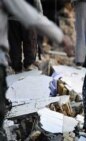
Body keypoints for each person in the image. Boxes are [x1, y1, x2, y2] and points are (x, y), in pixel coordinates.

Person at [0, 0, 73, 140]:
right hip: (21, 21)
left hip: (13, 21)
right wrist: (60, 37)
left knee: (21, 53)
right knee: (28, 52)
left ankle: (21, 73)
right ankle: (23, 73)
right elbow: (35, 14)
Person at [8, 0, 43, 72]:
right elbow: (37, 2)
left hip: (12, 18)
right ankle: (29, 64)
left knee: (14, 44)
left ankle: (16, 66)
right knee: (29, 42)